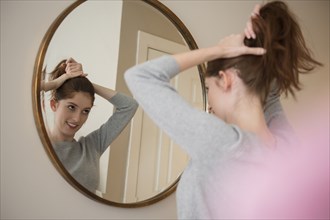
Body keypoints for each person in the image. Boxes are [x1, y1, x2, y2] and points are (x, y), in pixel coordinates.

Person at [124, 1, 322, 219]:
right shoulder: (288, 147)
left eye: (208, 88)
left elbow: (140, 76)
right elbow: (270, 92)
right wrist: (260, 33)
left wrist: (219, 51)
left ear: (225, 79)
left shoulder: (222, 143)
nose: (209, 102)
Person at [42, 58, 138, 193]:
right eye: (71, 107)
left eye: (85, 111)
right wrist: (59, 81)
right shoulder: (38, 145)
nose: (77, 119)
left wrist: (85, 82)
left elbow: (129, 106)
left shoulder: (92, 147)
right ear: (54, 104)